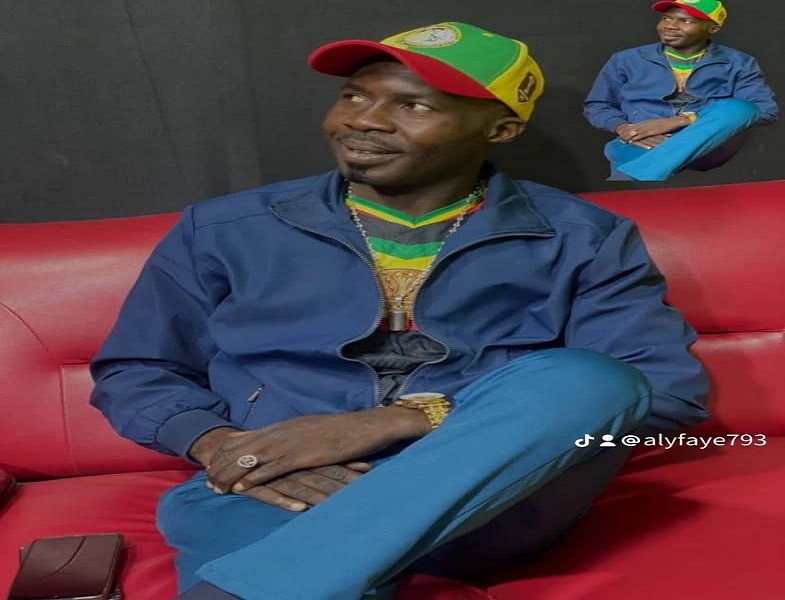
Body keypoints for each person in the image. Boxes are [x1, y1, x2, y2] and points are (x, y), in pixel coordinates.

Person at [90, 21, 709, 600]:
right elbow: (139, 369)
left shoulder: (582, 237)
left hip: (485, 501)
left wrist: (403, 420)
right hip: (280, 489)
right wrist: (225, 447)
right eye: (355, 96)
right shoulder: (225, 228)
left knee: (589, 381)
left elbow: (664, 396)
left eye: (413, 106)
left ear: (500, 130)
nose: (364, 120)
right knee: (278, 546)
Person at [584, 0, 778, 181]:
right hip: (645, 141)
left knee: (741, 108)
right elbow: (598, 105)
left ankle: (636, 176)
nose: (670, 26)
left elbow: (765, 110)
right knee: (625, 151)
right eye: (666, 18)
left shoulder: (739, 62)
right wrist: (624, 128)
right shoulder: (626, 59)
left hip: (707, 146)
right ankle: (641, 174)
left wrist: (681, 120)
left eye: (685, 21)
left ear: (713, 28)